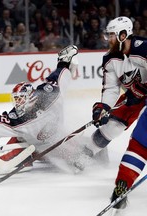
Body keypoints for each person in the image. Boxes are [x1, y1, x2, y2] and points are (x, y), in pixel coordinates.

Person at [0, 45, 80, 173]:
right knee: (13, 149)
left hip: (57, 144)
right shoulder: (17, 117)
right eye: (16, 99)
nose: (18, 103)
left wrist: (64, 63)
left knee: (80, 155)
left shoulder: (49, 95)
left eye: (21, 98)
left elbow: (59, 79)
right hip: (33, 145)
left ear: (30, 96)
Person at [74, 16, 147, 210]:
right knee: (112, 127)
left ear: (124, 35)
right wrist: (103, 107)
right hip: (134, 97)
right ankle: (88, 151)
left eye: (112, 35)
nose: (109, 39)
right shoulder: (110, 59)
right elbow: (111, 89)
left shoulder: (142, 48)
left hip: (143, 95)